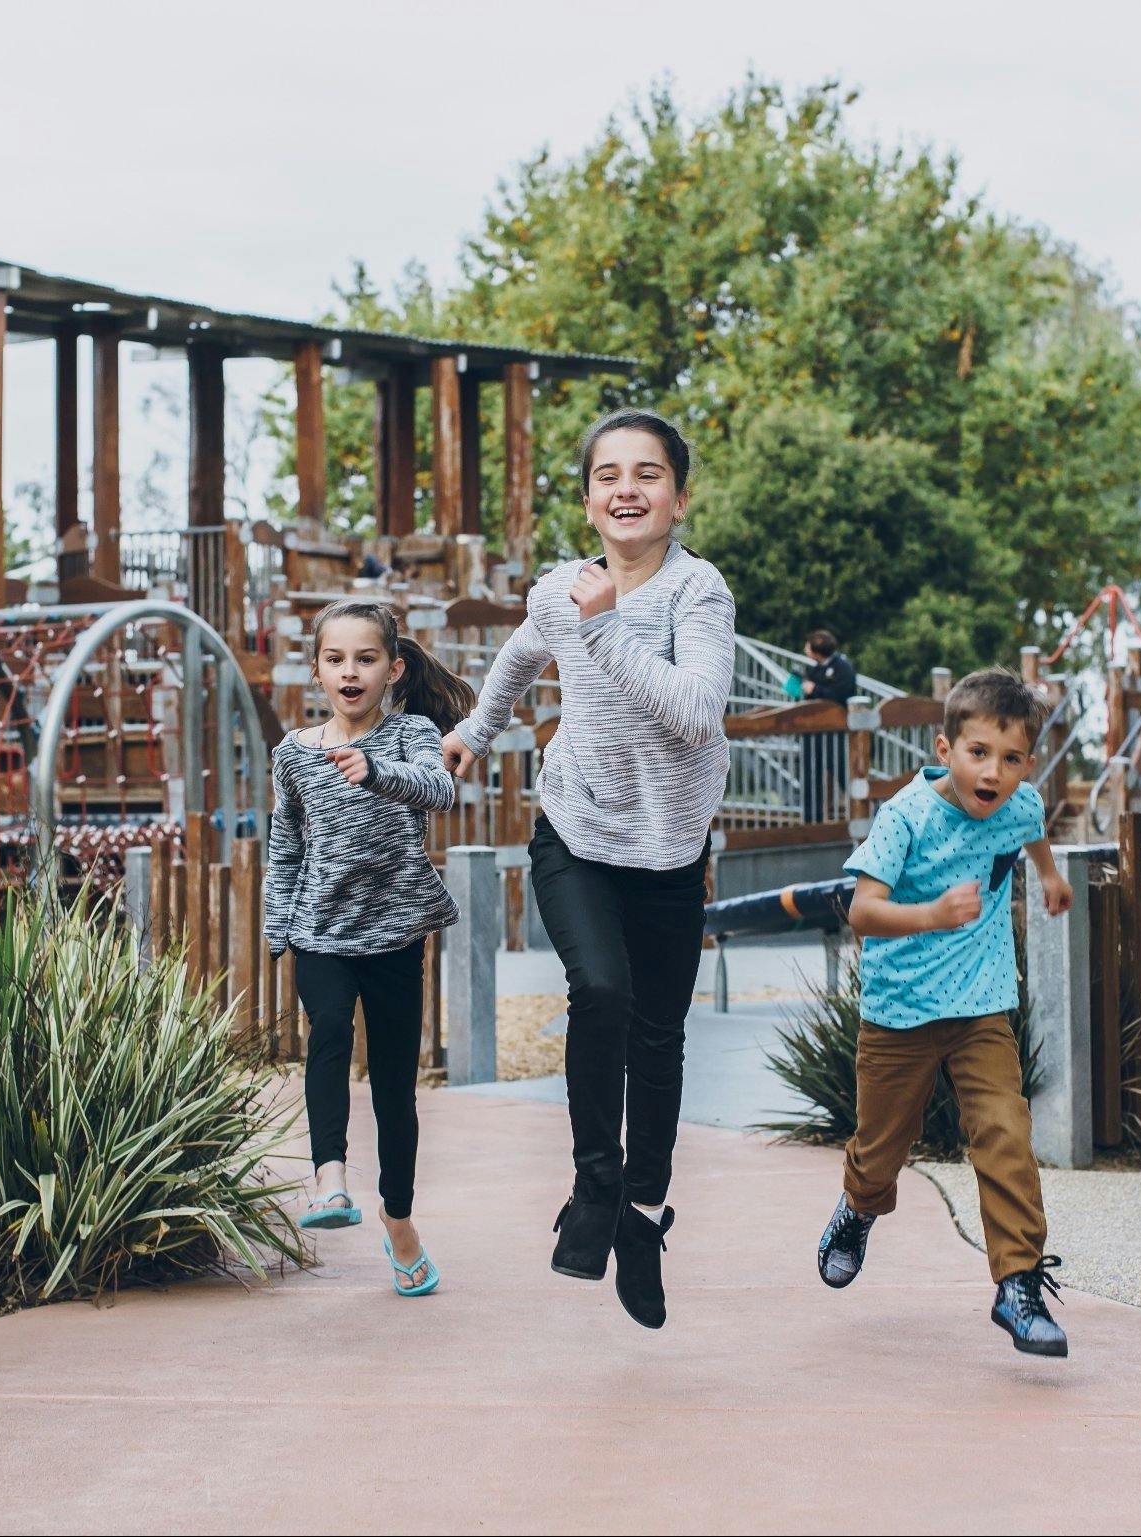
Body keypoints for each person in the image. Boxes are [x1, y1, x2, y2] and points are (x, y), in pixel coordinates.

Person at [442, 408, 733, 1330]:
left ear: (679, 498)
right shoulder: (558, 591)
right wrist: (475, 731)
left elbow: (697, 711)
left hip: (671, 849)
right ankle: (594, 1186)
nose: (628, 488)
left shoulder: (699, 592)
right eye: (609, 474)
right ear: (588, 499)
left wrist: (605, 629)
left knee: (657, 1035)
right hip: (574, 827)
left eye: (649, 473)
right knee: (599, 991)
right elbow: (523, 656)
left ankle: (642, 1216)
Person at [813, 666, 1077, 1356]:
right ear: (943, 749)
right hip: (899, 1012)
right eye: (979, 752)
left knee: (1004, 1131)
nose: (994, 771)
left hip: (982, 1005)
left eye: (1012, 757)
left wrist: (1048, 875)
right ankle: (860, 1205)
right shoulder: (907, 817)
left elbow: (1032, 828)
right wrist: (932, 913)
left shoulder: (1019, 804)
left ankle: (1017, 1282)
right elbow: (863, 910)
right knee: (881, 1150)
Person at [264, 599, 477, 1298]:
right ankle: (329, 1179)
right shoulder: (294, 753)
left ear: (393, 667)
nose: (349, 671)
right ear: (318, 669)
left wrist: (375, 771)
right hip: (320, 930)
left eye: (364, 658)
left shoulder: (412, 732)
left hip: (392, 935)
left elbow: (440, 788)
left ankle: (401, 1222)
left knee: (394, 1088)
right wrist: (276, 926)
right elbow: (285, 845)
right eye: (335, 658)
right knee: (326, 1032)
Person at [799, 629, 856, 823]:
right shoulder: (814, 668)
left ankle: (861, 811)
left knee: (842, 771)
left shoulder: (843, 668)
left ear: (817, 650)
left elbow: (842, 696)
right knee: (810, 774)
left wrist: (816, 689)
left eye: (808, 646)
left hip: (834, 731)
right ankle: (811, 819)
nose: (805, 649)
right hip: (812, 731)